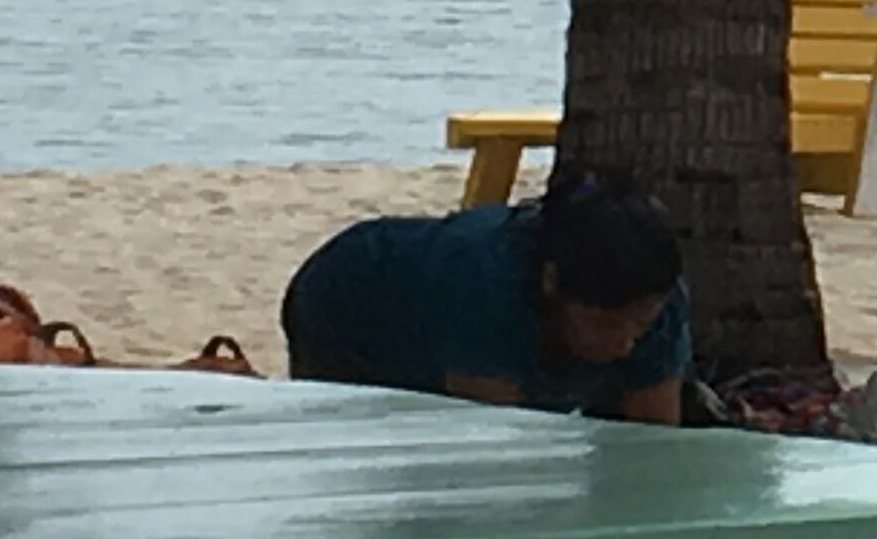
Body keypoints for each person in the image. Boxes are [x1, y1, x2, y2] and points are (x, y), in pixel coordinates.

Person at [282, 168, 690, 421]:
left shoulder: (655, 293)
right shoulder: (486, 289)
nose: (625, 343)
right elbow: (492, 447)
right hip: (346, 303)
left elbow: (652, 440)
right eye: (604, 324)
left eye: (641, 323)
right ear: (552, 283)